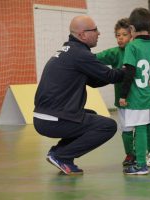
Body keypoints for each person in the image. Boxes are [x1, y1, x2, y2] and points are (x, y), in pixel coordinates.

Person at [33, 15, 125, 175]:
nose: (99, 33)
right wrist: (129, 69)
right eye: (95, 30)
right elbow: (110, 76)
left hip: (44, 117)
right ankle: (62, 156)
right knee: (108, 126)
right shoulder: (80, 55)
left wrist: (116, 73)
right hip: (54, 120)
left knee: (91, 115)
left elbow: (96, 81)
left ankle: (58, 153)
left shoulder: (69, 51)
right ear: (82, 34)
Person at [119, 8, 150, 175]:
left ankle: (141, 165)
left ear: (131, 29)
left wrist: (123, 95)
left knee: (139, 129)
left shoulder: (132, 47)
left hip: (137, 97)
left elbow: (129, 72)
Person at [96, 18, 135, 166]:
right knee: (126, 128)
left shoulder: (137, 50)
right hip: (122, 99)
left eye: (124, 34)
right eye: (118, 35)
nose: (120, 38)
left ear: (131, 35)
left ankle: (146, 153)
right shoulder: (113, 53)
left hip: (140, 99)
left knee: (142, 127)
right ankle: (130, 155)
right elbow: (94, 58)